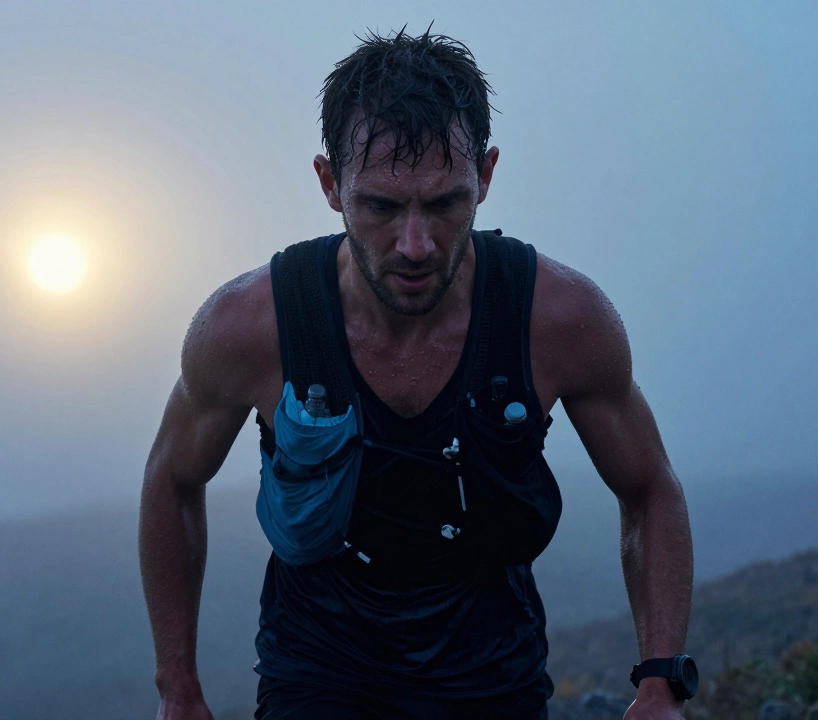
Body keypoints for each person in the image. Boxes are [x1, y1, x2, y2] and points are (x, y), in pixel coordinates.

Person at [139, 29, 694, 720]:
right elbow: (171, 479)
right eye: (379, 206)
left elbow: (649, 491)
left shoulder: (558, 319)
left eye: (444, 203)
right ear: (329, 184)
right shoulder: (252, 326)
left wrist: (660, 681)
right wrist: (178, 688)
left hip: (493, 673)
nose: (414, 245)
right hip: (315, 669)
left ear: (486, 177)